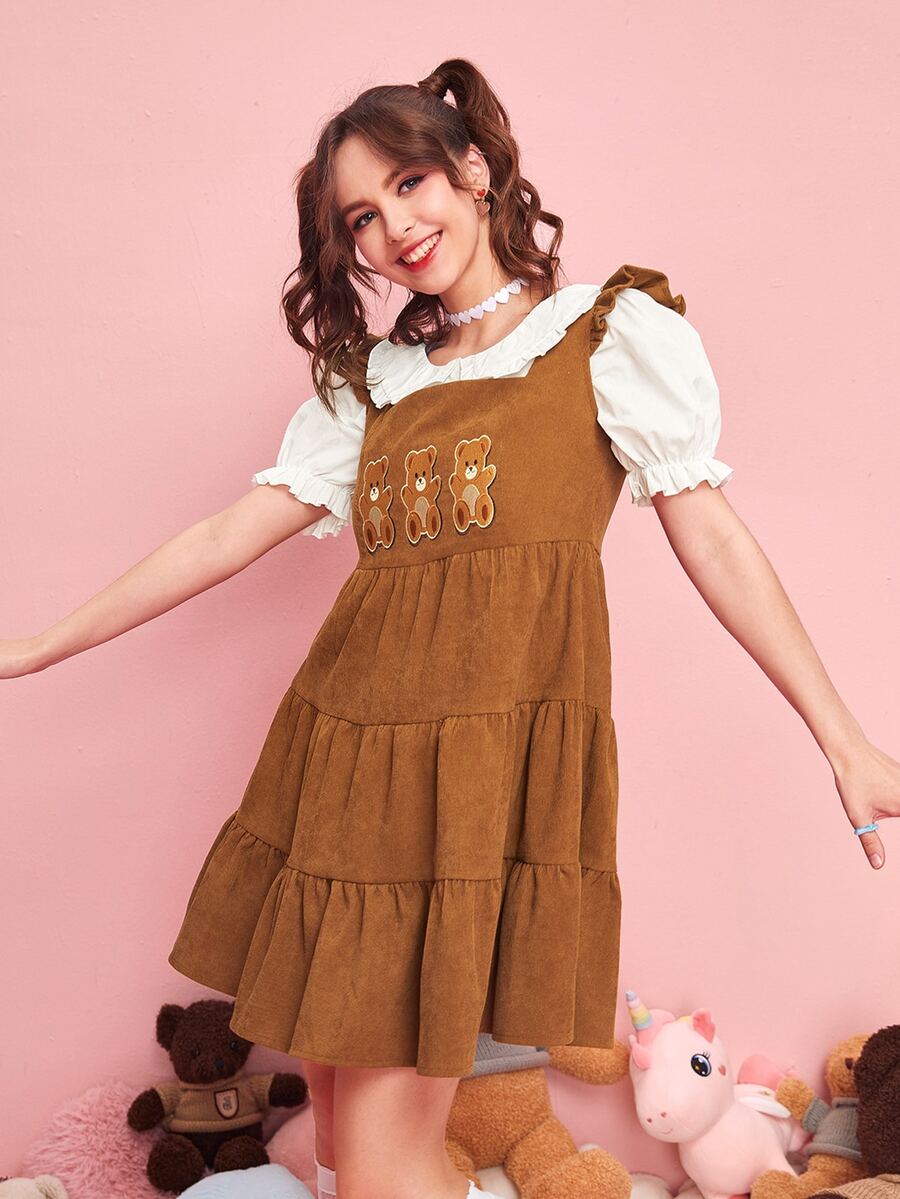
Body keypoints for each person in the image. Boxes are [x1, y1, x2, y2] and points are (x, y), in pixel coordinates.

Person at [4, 56, 898, 1199]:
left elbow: (712, 535)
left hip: (474, 783)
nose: (393, 228)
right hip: (344, 765)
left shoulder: (605, 333)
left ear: (474, 171)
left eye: (409, 184)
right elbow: (227, 534)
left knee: (383, 1161)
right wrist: (38, 645)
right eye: (360, 218)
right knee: (348, 1141)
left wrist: (842, 737)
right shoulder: (373, 385)